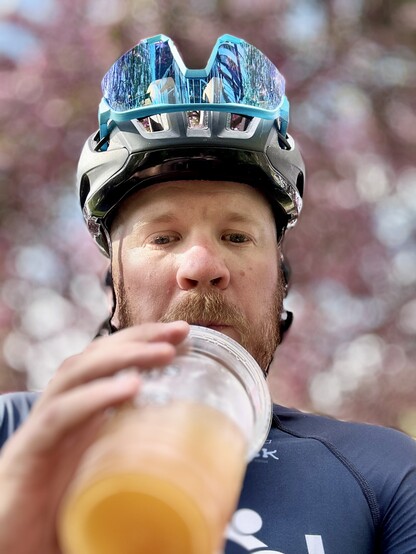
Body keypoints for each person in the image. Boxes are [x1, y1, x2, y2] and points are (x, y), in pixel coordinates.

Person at [0, 33, 415, 554]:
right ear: (115, 276)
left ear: (280, 278)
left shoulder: (385, 474)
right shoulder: (13, 435)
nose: (201, 266)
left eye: (237, 236)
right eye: (164, 238)